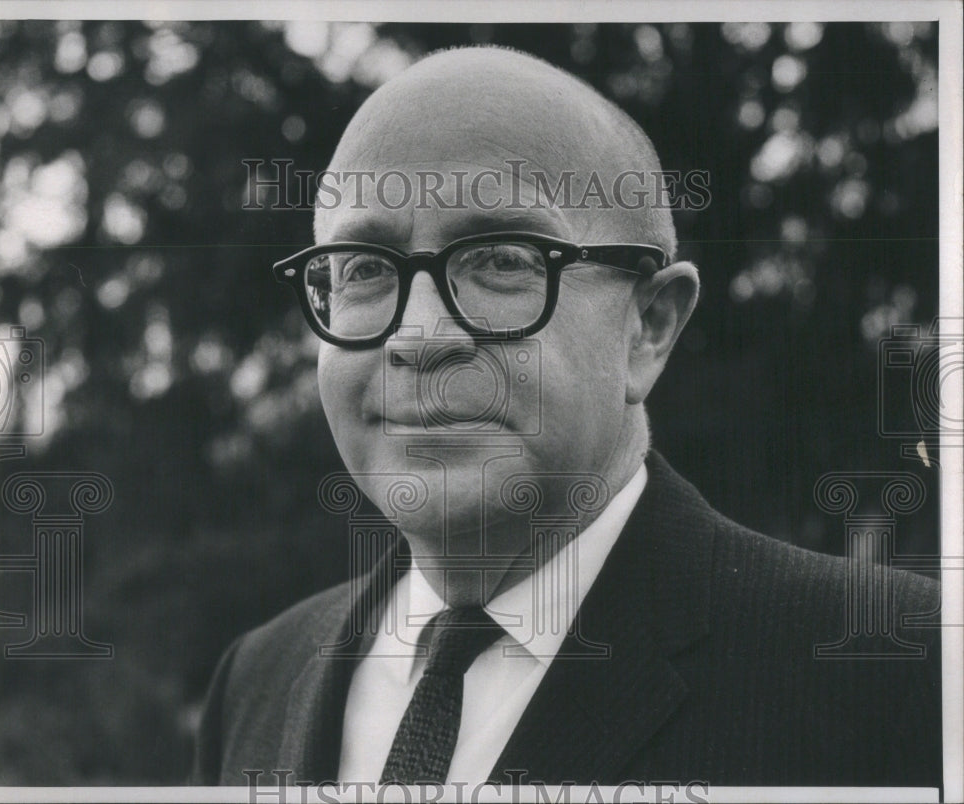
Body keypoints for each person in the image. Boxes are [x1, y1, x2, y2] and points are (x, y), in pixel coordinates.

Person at [192, 46, 941, 790]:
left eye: (502, 261)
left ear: (648, 326)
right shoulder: (258, 679)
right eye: (362, 269)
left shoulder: (899, 672)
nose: (418, 337)